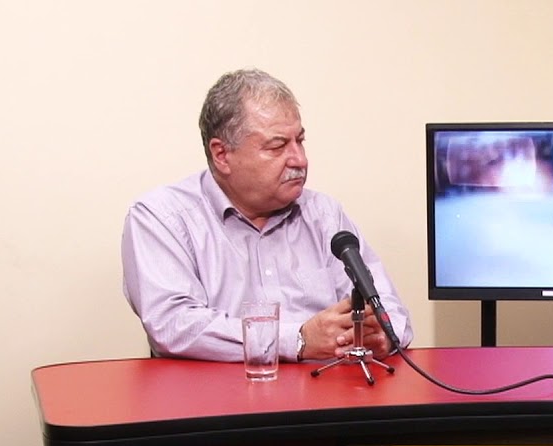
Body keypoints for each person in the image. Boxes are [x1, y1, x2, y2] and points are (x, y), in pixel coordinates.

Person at [122, 68, 412, 363]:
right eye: (277, 146)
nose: (300, 160)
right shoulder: (161, 218)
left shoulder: (324, 214)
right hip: (220, 390)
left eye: (300, 141)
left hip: (326, 387)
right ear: (222, 155)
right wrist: (297, 340)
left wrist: (381, 335)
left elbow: (392, 312)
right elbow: (174, 324)